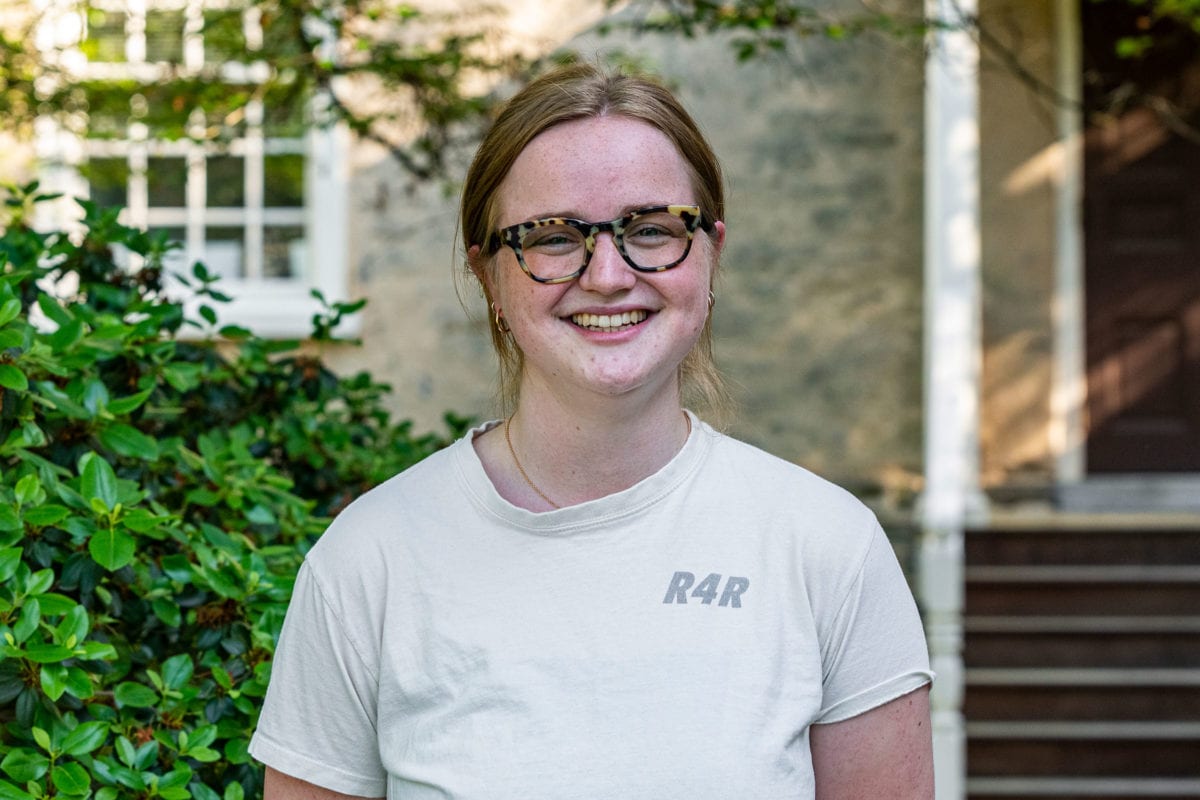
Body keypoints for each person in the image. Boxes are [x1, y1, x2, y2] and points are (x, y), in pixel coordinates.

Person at [250, 61, 934, 799]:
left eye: (650, 229)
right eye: (551, 236)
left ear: (710, 252)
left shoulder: (827, 548)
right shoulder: (371, 561)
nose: (607, 273)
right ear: (489, 274)